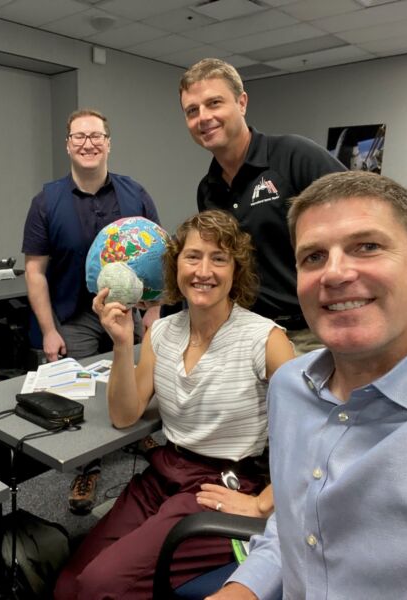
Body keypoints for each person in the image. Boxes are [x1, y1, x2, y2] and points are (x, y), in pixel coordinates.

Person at [209, 171, 407, 600]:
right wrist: (242, 590)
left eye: (367, 247)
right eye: (313, 257)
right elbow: (299, 525)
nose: (334, 274)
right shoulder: (288, 388)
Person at [54, 210, 295, 599]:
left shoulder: (264, 339)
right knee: (67, 585)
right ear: (175, 266)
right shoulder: (162, 332)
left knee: (102, 586)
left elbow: (312, 431)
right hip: (164, 472)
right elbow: (124, 414)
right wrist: (119, 342)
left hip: (220, 484)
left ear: (237, 271)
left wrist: (265, 504)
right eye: (193, 256)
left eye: (219, 258)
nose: (204, 270)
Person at [178, 57, 407, 355]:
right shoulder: (208, 189)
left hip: (314, 329)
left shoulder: (293, 156)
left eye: (214, 103)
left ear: (241, 103)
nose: (203, 117)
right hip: (252, 332)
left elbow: (377, 218)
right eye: (192, 110)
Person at [22, 108, 161, 514]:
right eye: (80, 137)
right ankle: (89, 466)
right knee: (80, 396)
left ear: (108, 143)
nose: (89, 143)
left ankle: (138, 437)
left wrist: (154, 310)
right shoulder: (47, 200)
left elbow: (157, 257)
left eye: (96, 136)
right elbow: (35, 271)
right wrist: (48, 330)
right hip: (74, 314)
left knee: (135, 380)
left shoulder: (135, 194)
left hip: (127, 313)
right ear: (68, 144)